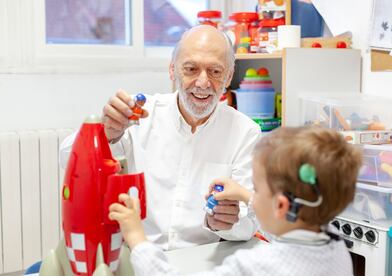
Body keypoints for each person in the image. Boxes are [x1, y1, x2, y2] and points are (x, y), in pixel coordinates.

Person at [59, 25, 261, 250]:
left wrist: (226, 224)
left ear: (229, 76)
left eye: (215, 71)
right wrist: (105, 133)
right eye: (191, 69)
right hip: (137, 254)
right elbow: (67, 160)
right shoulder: (140, 115)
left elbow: (251, 222)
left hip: (199, 261)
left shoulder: (245, 132)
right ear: (172, 70)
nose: (203, 83)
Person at [108, 126, 362, 275]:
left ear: (281, 206)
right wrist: (246, 195)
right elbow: (289, 229)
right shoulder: (334, 244)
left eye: (257, 188)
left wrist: (137, 239)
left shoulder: (254, 266)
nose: (254, 193)